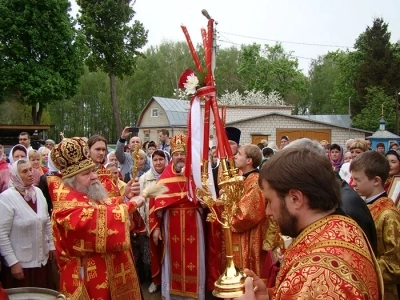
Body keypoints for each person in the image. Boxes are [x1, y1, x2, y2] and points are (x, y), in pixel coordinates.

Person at [238, 146, 382, 299]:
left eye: (270, 201)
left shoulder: (318, 276)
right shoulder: (342, 224)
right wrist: (268, 295)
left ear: (296, 199)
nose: (268, 212)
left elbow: (311, 288)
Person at [48, 137, 145, 299]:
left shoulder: (84, 192)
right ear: (70, 181)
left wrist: (125, 197)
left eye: (93, 170)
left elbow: (105, 206)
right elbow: (93, 220)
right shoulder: (64, 208)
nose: (94, 176)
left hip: (109, 271)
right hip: (86, 277)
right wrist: (131, 205)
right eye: (87, 173)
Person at [150, 134, 205, 300]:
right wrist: (156, 228)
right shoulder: (165, 177)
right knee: (171, 258)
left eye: (182, 153)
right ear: (171, 156)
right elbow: (155, 204)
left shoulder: (197, 174)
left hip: (193, 222)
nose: (179, 157)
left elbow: (207, 199)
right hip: (171, 222)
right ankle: (172, 294)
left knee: (196, 258)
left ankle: (195, 294)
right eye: (176, 154)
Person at [350, 151, 400, 298]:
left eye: (357, 180)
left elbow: (395, 264)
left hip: (384, 292)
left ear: (376, 180)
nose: (353, 184)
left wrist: (360, 267)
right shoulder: (365, 206)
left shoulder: (388, 215)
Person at [0, 159, 55, 289]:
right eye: (24, 171)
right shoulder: (6, 198)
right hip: (21, 265)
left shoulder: (38, 193)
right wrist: (13, 262)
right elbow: (1, 233)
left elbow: (46, 220)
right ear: (15, 175)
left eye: (30, 169)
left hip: (42, 260)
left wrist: (51, 245)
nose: (30, 173)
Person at [231, 144, 268, 275]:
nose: (235, 156)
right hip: (243, 235)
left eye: (239, 154)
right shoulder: (244, 178)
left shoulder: (255, 182)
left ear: (249, 161)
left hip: (251, 237)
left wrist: (227, 215)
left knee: (248, 273)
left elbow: (247, 216)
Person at [139, 149, 168, 293]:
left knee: (167, 253)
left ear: (166, 160)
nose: (158, 162)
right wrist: (143, 224)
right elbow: (140, 202)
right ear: (151, 161)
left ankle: (167, 281)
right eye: (155, 159)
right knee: (153, 253)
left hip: (168, 222)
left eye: (161, 159)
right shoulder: (145, 178)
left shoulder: (171, 177)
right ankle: (155, 281)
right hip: (150, 221)